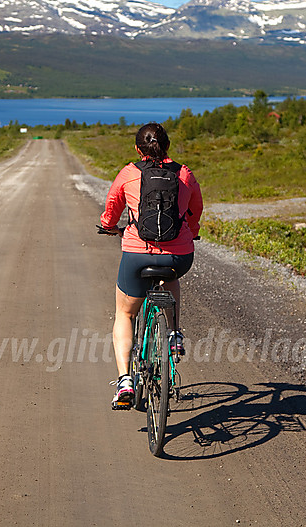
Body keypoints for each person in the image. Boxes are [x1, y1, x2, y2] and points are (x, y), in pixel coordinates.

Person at [99, 122, 203, 407]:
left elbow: (110, 211)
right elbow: (196, 211)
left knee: (125, 313)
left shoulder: (128, 173)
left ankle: (125, 382)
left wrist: (110, 227)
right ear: (167, 145)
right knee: (171, 275)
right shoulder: (185, 174)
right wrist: (190, 233)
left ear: (137, 148)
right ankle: (173, 334)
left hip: (137, 254)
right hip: (178, 256)